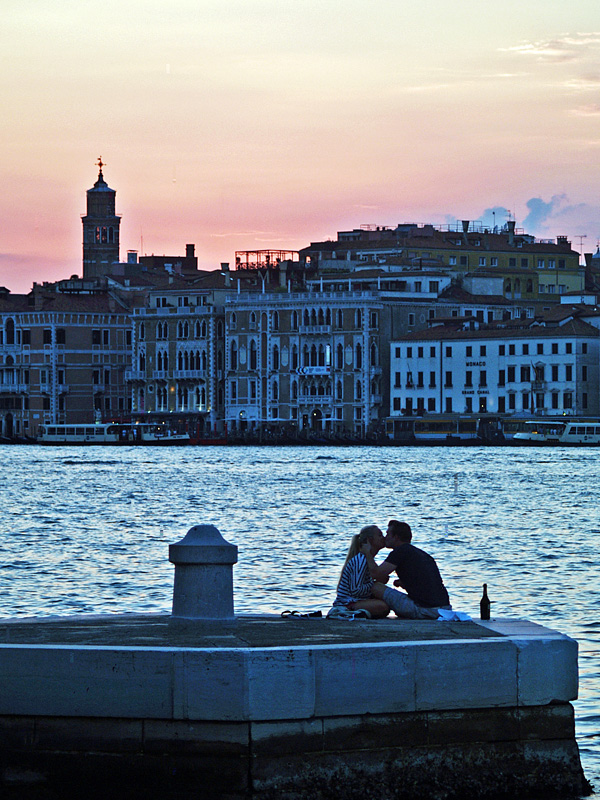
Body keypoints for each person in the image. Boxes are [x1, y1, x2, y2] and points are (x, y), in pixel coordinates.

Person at [363, 519, 451, 620]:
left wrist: (367, 552)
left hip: (425, 610)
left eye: (387, 534)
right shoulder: (421, 554)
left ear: (396, 537)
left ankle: (356, 606)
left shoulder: (400, 551)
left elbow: (376, 574)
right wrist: (403, 583)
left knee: (375, 587)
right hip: (444, 610)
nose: (385, 537)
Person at [328, 525, 390, 619]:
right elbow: (356, 589)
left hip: (357, 600)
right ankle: (348, 610)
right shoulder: (361, 560)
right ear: (370, 540)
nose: (383, 538)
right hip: (348, 602)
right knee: (383, 607)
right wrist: (374, 585)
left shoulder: (368, 559)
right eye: (380, 535)